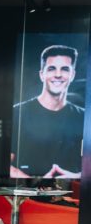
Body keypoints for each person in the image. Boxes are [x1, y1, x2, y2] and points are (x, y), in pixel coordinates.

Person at [11, 45, 85, 178]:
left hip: (71, 190)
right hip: (29, 190)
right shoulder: (18, 113)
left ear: (72, 75)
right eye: (51, 69)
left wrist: (75, 177)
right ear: (42, 74)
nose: (58, 74)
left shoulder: (85, 117)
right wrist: (35, 182)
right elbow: (4, 163)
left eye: (65, 69)